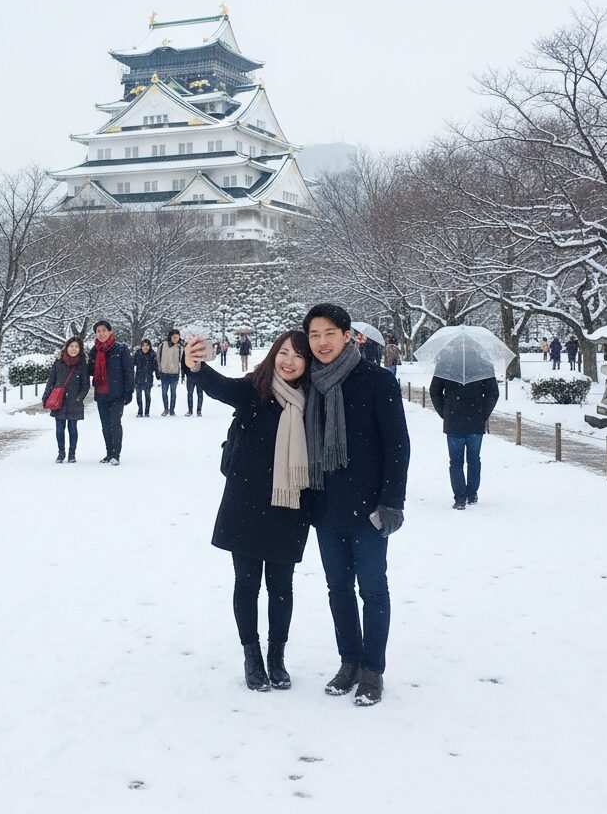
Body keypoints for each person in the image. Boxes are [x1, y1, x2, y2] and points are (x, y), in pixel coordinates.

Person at [185, 330, 314, 692]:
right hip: (246, 503)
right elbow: (220, 387)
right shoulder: (256, 389)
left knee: (282, 587)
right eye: (284, 352)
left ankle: (277, 657)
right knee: (246, 584)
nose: (288, 361)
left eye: (298, 356)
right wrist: (195, 366)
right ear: (274, 354)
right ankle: (252, 655)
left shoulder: (313, 400)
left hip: (289, 505)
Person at [303, 303, 410, 707]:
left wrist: (391, 503)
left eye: (329, 332)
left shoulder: (376, 380)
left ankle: (372, 669)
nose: (322, 342)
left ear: (347, 335)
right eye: (314, 335)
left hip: (369, 510)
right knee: (338, 589)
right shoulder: (310, 382)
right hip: (325, 507)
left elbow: (397, 444)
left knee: (374, 589)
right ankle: (348, 661)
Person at [429, 350, 499, 509]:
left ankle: (460, 497)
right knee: (474, 459)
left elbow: (435, 391)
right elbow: (493, 393)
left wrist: (445, 412)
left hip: (454, 420)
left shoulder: (445, 365)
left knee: (456, 461)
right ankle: (472, 493)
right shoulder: (484, 366)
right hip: (475, 420)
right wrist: (483, 413)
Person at [87, 320, 134, 465]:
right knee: (105, 425)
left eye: (103, 330)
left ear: (110, 332)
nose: (101, 333)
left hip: (117, 393)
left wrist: (129, 391)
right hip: (101, 394)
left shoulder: (121, 349)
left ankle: (116, 454)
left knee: (115, 423)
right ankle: (108, 453)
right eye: (98, 331)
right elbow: (89, 371)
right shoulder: (94, 351)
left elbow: (129, 371)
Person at [43, 336, 92, 464]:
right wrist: (46, 396)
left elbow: (86, 384)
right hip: (59, 400)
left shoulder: (82, 365)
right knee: (59, 428)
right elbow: (51, 381)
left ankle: (72, 453)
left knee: (72, 428)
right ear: (67, 347)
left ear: (80, 349)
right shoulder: (58, 362)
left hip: (74, 401)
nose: (74, 349)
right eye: (71, 346)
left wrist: (79, 398)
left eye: (77, 347)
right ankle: (61, 453)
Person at [156, 329, 184, 415]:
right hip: (164, 372)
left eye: (177, 337)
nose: (175, 339)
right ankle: (165, 409)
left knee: (173, 392)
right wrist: (159, 370)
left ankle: (172, 409)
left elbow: (182, 361)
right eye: (173, 337)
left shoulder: (180, 347)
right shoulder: (163, 345)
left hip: (174, 373)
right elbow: (158, 358)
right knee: (164, 392)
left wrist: (182, 374)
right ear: (170, 337)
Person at [133, 339, 158, 417]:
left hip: (148, 378)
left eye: (147, 346)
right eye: (143, 346)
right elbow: (132, 364)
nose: (145, 347)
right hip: (138, 378)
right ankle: (140, 411)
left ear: (149, 346)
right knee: (138, 396)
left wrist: (158, 375)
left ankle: (147, 411)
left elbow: (156, 366)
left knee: (147, 395)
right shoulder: (137, 354)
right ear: (141, 347)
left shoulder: (152, 354)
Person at [181, 346, 204, 416]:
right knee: (190, 393)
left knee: (199, 393)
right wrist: (184, 374)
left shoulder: (201, 352)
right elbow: (183, 364)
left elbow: (204, 364)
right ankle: (190, 410)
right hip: (190, 376)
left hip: (199, 376)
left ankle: (199, 410)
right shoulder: (186, 352)